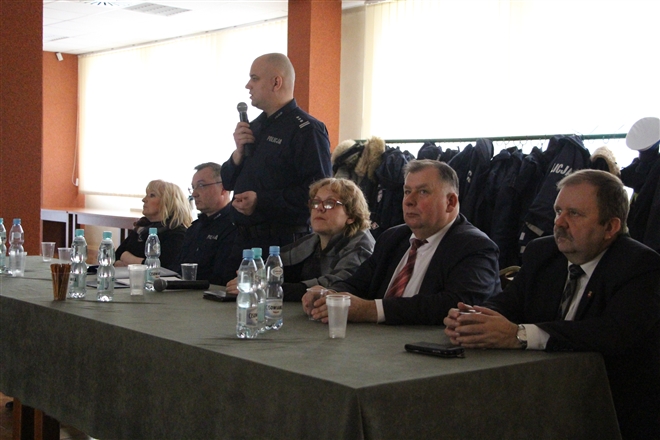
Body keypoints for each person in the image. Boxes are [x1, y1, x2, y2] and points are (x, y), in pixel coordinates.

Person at [443, 169, 660, 439]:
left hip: (612, 411)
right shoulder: (543, 252)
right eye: (558, 211)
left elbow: (612, 333)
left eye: (574, 214)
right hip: (536, 396)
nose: (559, 222)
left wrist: (519, 335)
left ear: (610, 227)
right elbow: (509, 302)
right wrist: (474, 318)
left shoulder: (642, 267)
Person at [304, 160, 501, 325]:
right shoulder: (393, 237)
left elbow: (457, 304)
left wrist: (371, 310)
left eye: (422, 192)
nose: (409, 201)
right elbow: (358, 283)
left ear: (450, 202)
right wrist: (329, 294)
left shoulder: (475, 246)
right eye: (407, 191)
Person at [221, 53, 332, 270]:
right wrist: (237, 154)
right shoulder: (254, 127)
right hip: (242, 240)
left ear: (276, 82)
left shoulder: (306, 130)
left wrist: (261, 201)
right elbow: (227, 182)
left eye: (254, 78)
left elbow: (318, 194)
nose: (248, 85)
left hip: (283, 246)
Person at [226, 178, 375, 300]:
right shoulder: (313, 240)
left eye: (330, 203)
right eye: (315, 202)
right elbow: (276, 264)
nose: (319, 208)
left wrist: (265, 288)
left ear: (351, 216)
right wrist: (252, 277)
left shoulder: (360, 244)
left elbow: (335, 286)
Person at [176, 162, 237, 285]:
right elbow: (177, 267)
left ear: (223, 189)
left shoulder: (236, 226)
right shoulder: (195, 228)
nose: (194, 194)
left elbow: (222, 277)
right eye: (193, 187)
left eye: (201, 185)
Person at [116, 180, 192, 271]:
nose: (144, 200)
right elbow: (115, 257)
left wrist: (130, 260)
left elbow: (162, 269)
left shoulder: (177, 233)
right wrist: (139, 263)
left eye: (152, 195)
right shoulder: (142, 227)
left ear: (168, 202)